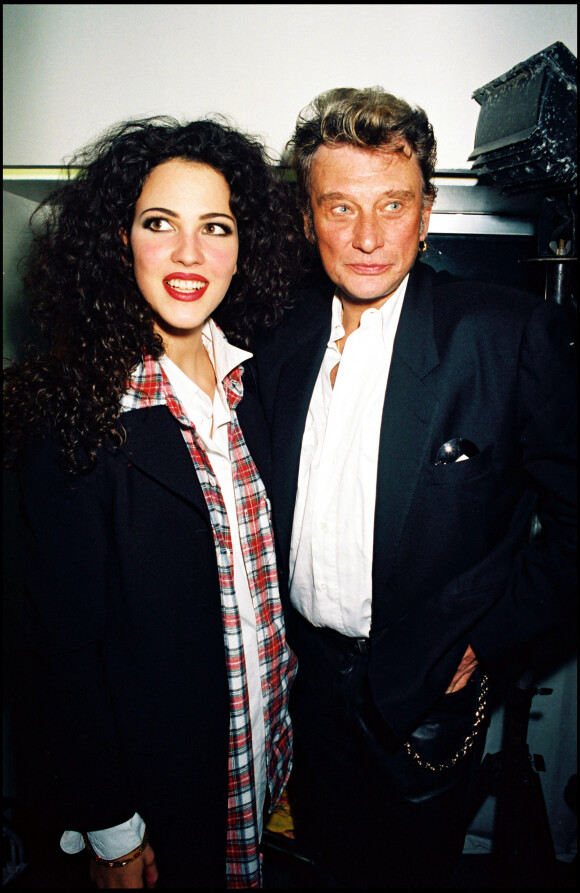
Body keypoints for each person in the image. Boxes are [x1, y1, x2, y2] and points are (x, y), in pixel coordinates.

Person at [253, 87, 577, 888]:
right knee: (328, 861)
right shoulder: (275, 340)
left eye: (392, 204)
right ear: (306, 219)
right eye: (340, 207)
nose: (367, 237)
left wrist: (486, 640)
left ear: (426, 212)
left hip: (430, 685)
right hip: (305, 686)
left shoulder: (504, 333)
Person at [3, 115, 304, 888]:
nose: (189, 254)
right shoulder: (74, 413)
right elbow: (59, 652)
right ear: (118, 240)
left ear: (246, 250)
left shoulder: (254, 385)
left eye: (216, 226)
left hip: (255, 770)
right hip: (153, 802)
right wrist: (110, 827)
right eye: (158, 223)